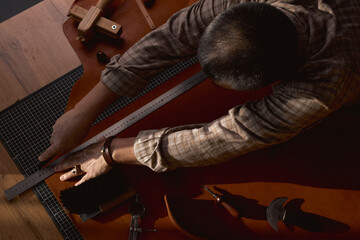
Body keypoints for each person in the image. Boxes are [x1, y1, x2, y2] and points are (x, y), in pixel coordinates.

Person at [39, 0, 360, 186]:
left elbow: (223, 137)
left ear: (274, 84)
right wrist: (83, 111)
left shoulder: (325, 84)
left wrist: (111, 151)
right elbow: (175, 34)